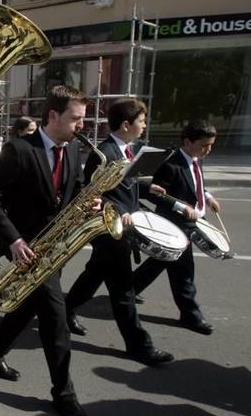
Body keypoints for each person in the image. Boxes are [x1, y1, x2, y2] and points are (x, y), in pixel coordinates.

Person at [0, 85, 95, 416]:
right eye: (75, 119)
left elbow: (68, 193)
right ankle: (64, 394)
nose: (80, 126)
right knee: (55, 319)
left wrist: (86, 204)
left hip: (54, 248)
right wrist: (12, 239)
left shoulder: (73, 149)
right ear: (53, 116)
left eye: (82, 119)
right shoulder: (18, 149)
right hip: (28, 248)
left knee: (27, 307)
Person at [64, 99, 174, 366]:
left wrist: (148, 188)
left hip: (124, 228)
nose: (144, 125)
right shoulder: (104, 154)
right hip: (110, 230)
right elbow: (93, 194)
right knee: (124, 292)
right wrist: (116, 210)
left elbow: (125, 185)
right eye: (141, 121)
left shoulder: (128, 150)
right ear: (126, 125)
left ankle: (64, 310)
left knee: (93, 276)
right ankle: (139, 346)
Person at [133, 119, 221, 335]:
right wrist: (181, 207)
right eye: (203, 145)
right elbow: (155, 194)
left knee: (159, 262)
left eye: (211, 145)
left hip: (191, 222)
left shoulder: (196, 158)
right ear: (187, 142)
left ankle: (129, 288)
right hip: (175, 224)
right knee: (184, 272)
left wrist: (208, 197)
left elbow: (196, 182)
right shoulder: (170, 164)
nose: (208, 150)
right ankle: (191, 315)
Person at [0, 115, 39, 267]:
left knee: (10, 236)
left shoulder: (33, 148)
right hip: (12, 204)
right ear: (20, 131)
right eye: (30, 131)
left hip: (25, 204)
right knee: (13, 238)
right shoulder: (13, 148)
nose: (34, 134)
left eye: (35, 130)